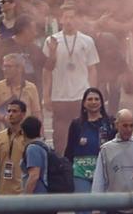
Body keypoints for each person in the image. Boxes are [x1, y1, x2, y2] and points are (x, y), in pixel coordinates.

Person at [64, 86, 115, 214]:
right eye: (89, 99)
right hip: (81, 173)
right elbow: (69, 151)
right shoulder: (76, 124)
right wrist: (66, 172)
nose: (93, 102)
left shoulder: (110, 123)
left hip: (103, 173)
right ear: (84, 103)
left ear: (101, 102)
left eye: (96, 99)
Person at [41, 10, 100, 149]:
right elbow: (46, 70)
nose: (69, 21)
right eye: (66, 17)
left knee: (82, 133)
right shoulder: (51, 41)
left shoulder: (87, 40)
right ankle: (61, 160)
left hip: (81, 95)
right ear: (61, 19)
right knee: (60, 135)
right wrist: (46, 95)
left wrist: (93, 93)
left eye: (72, 17)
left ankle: (81, 159)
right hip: (59, 96)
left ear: (78, 19)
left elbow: (92, 69)